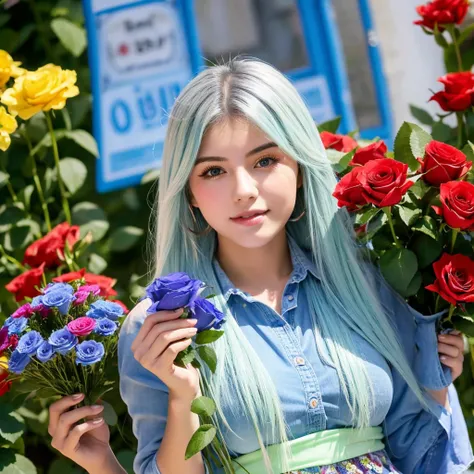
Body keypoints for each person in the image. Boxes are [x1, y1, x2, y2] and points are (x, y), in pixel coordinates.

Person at [47, 59, 473, 474]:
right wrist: (182, 395)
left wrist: (436, 376)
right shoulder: (161, 327)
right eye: (214, 171)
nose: (244, 190)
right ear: (189, 192)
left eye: (265, 161)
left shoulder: (363, 284)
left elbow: (420, 452)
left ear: (301, 168)